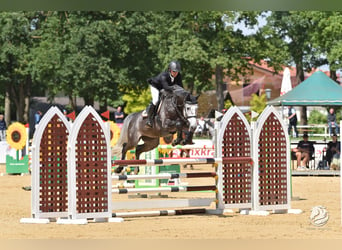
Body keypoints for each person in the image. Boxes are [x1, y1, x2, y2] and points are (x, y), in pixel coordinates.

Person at [145, 60, 183, 128]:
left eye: (177, 71)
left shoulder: (178, 76)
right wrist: (175, 87)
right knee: (156, 100)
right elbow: (166, 87)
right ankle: (149, 119)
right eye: (174, 71)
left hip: (166, 88)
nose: (175, 73)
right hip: (156, 87)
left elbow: (181, 87)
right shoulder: (164, 76)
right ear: (169, 70)